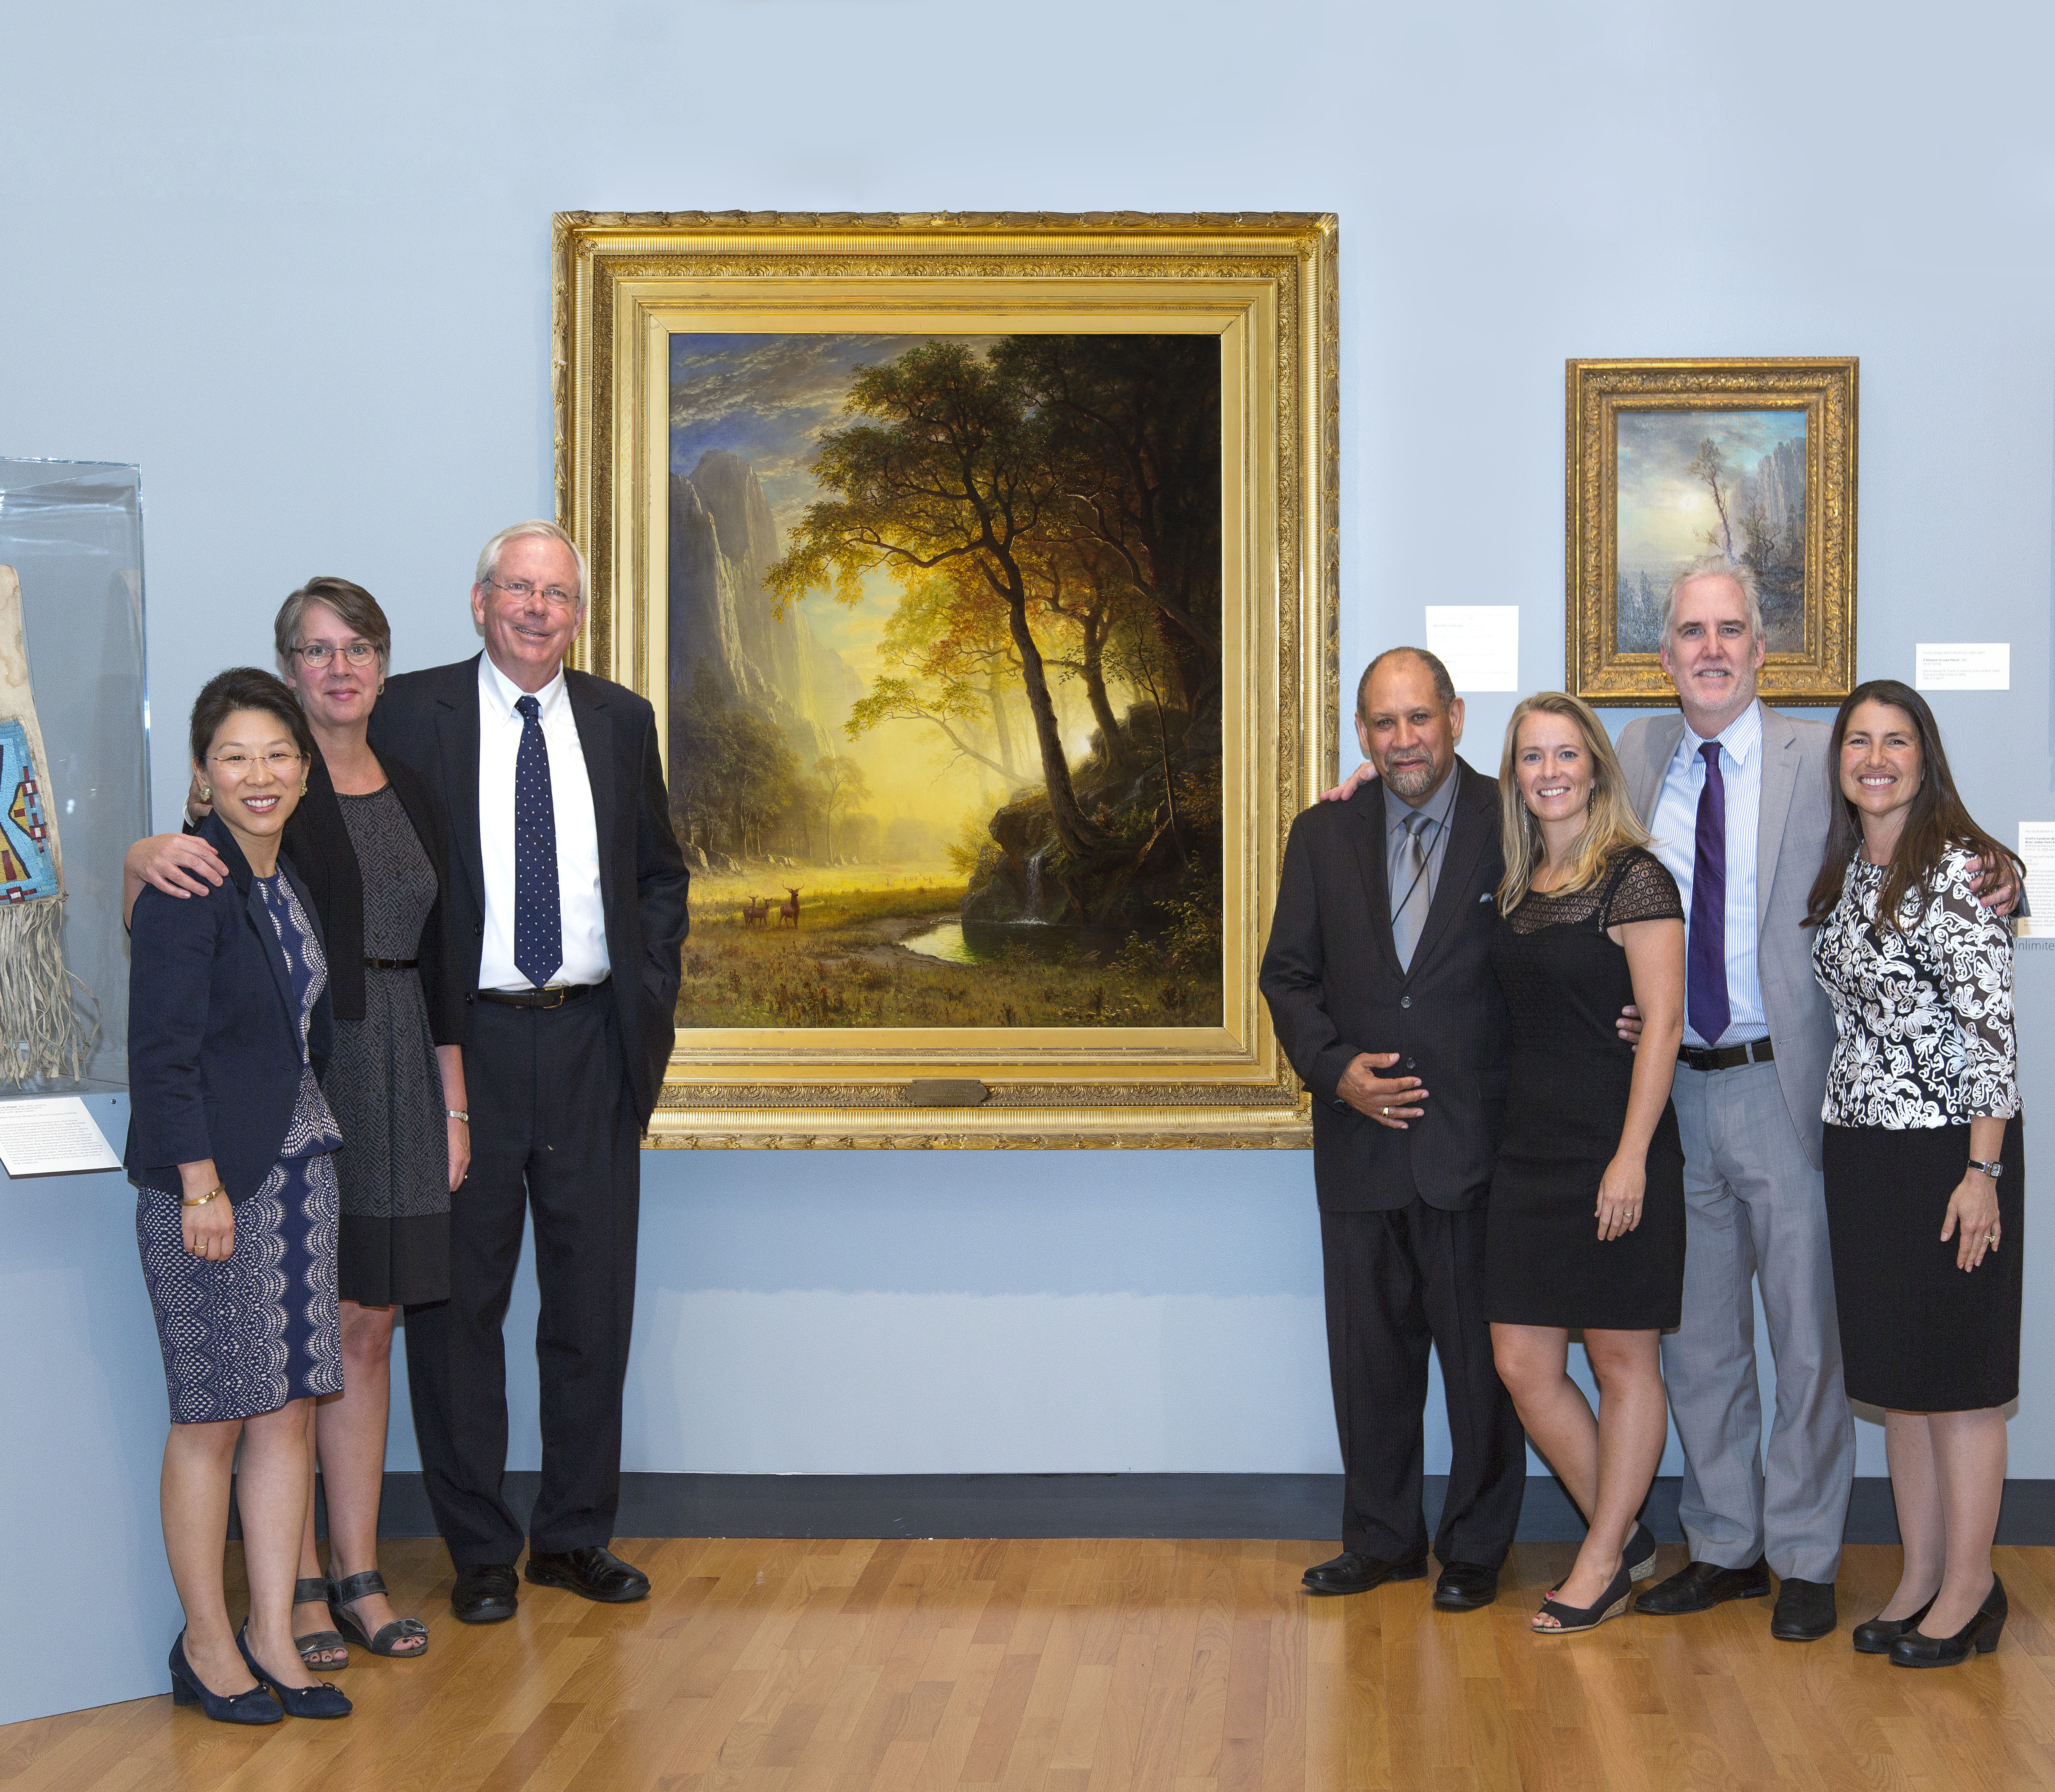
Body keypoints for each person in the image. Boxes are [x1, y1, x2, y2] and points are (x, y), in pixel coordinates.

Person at [1614, 557, 2017, 1643]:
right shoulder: (1634, 753)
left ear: (1758, 650)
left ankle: (1801, 1556)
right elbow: (1559, 856)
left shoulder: (1822, 755)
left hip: (1786, 1092)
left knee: (1807, 1343)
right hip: (1670, 1098)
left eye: (1728, 629)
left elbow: (1915, 846)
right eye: (1688, 631)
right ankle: (1723, 1545)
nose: (1708, 648)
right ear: (1664, 658)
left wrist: (2000, 867)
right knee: (1697, 1344)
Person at [125, 578, 468, 1668]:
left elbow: (445, 956)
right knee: (291, 1359)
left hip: (404, 1071)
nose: (339, 667)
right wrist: (130, 859)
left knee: (364, 1332)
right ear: (287, 672)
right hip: (313, 1084)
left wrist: (453, 1102)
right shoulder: (262, 791)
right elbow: (175, 898)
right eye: (314, 651)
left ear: (381, 661)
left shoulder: (408, 785)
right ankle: (298, 1592)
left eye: (357, 647)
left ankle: (357, 1572)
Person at [368, 520, 690, 1623]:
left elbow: (659, 874)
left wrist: (645, 992)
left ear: (578, 615)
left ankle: (571, 1537)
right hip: (468, 1047)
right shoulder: (412, 713)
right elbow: (330, 825)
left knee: (590, 1301)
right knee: (458, 1308)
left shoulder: (618, 720)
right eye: (517, 588)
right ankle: (480, 1552)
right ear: (477, 602)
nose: (536, 609)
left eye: (556, 594)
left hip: (593, 1041)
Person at [1259, 647, 1527, 1609]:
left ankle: (1473, 1548)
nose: (1403, 738)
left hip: (1475, 1144)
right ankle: (1379, 1539)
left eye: (1419, 717)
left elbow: (1567, 944)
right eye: (1384, 722)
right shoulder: (1322, 835)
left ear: (1454, 716)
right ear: (1362, 734)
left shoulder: (1519, 817)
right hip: (1361, 1147)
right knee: (1369, 1364)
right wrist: (1335, 1073)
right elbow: (1285, 975)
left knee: (1481, 1370)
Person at [127, 668, 351, 1723]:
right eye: (234, 758)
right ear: (201, 777)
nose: (259, 776)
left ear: (304, 773)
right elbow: (162, 1057)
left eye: (276, 756)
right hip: (213, 1192)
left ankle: (274, 1629)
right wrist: (199, 1186)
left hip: (300, 1178)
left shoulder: (282, 878)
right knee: (213, 1419)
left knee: (289, 1415)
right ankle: (207, 1642)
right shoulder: (191, 883)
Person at [1806, 680, 2022, 1667]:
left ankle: (1972, 1588)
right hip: (1863, 1152)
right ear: (1840, 760)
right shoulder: (1853, 867)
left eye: (1896, 741)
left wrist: (1982, 1171)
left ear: (1924, 758)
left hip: (1949, 1155)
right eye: (1859, 740)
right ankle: (1922, 1573)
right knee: (1901, 1383)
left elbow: (1990, 1036)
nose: (1876, 757)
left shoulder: (1961, 872)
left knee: (1962, 1384)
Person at [1482, 693, 1686, 1633]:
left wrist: (1631, 1158)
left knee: (1619, 1357)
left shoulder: (1634, 878)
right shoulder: (1519, 882)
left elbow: (1664, 1026)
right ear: (1514, 775)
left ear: (1596, 767)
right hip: (1528, 1154)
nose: (1550, 771)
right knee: (1522, 1359)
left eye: (1567, 754)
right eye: (1532, 757)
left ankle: (1602, 1559)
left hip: (1614, 1149)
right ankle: (1630, 1533)